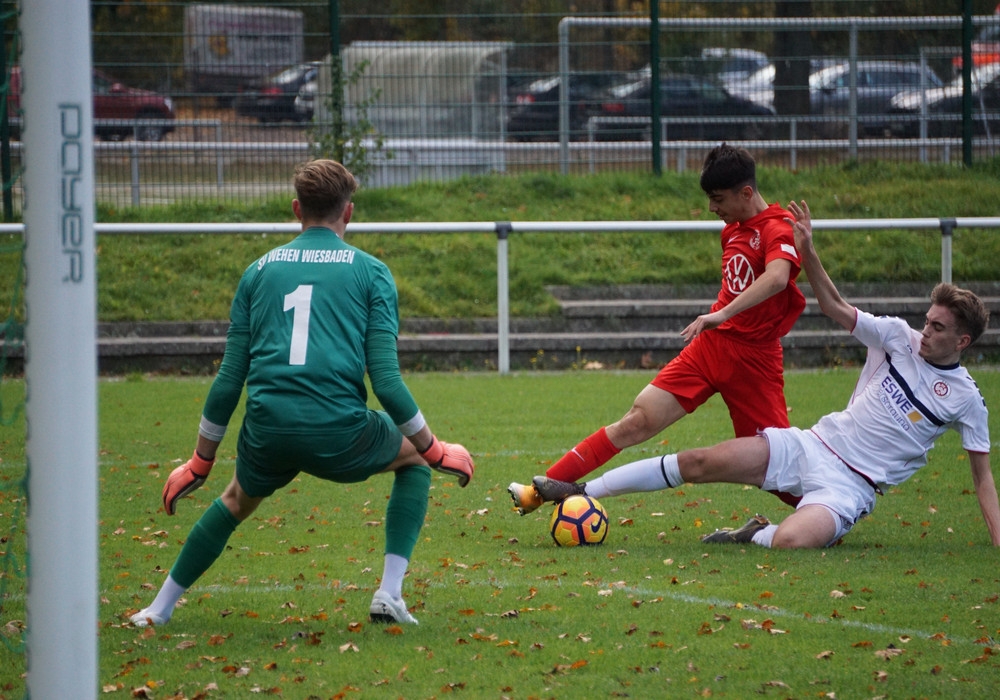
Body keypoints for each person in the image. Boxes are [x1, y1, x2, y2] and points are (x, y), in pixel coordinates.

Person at [527, 200, 1000, 549]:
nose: (924, 332)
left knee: (794, 542)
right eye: (927, 320)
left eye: (937, 328)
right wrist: (808, 250)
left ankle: (752, 535)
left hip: (852, 487)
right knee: (696, 462)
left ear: (962, 342)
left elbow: (982, 478)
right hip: (812, 445)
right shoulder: (897, 336)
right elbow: (835, 307)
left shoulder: (965, 400)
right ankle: (580, 490)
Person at [129, 159, 474, 628]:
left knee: (234, 500)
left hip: (268, 429)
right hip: (339, 430)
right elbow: (387, 383)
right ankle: (389, 594)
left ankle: (158, 608)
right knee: (412, 459)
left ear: (297, 209)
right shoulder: (372, 273)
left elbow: (230, 379)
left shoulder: (257, 272)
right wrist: (434, 450)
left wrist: (200, 461)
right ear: (348, 213)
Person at [509, 143, 807, 515]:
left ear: (746, 193)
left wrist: (721, 313)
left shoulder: (778, 229)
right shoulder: (731, 230)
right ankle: (538, 492)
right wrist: (719, 320)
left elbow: (778, 278)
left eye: (718, 199)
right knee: (637, 421)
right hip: (711, 347)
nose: (712, 208)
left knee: (771, 462)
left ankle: (828, 504)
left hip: (753, 361)